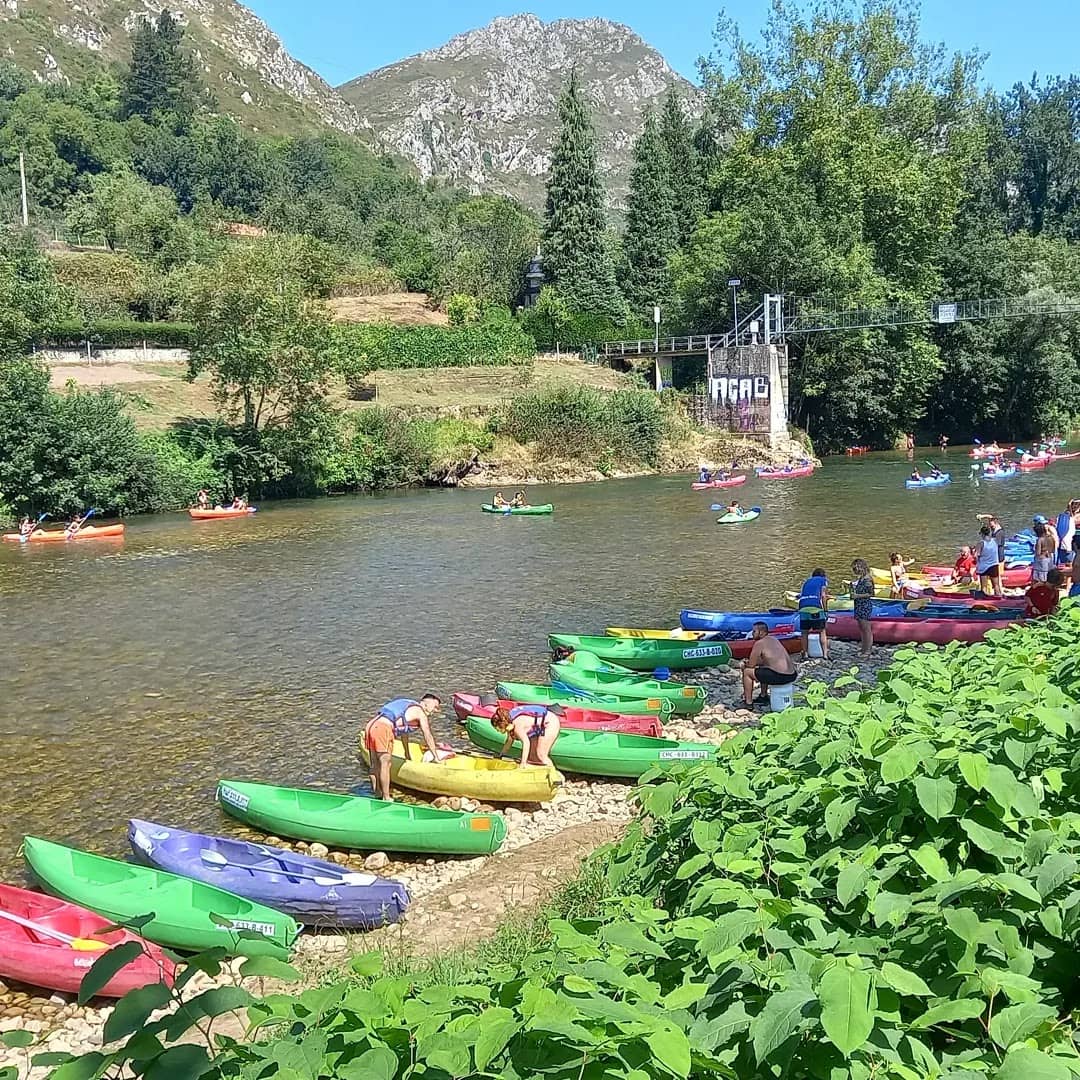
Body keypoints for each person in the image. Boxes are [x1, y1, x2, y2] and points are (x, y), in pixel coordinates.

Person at [363, 694, 443, 801]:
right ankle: (386, 797)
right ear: (426, 703)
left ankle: (377, 793)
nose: (435, 711)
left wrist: (407, 753)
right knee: (385, 764)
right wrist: (436, 757)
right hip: (383, 728)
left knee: (374, 763)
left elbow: (404, 733)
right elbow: (427, 734)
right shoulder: (420, 712)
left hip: (371, 725)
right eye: (435, 706)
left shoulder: (408, 705)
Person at [742, 622, 797, 707]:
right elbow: (768, 661)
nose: (752, 634)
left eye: (754, 631)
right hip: (792, 674)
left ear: (761, 632)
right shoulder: (774, 639)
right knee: (763, 666)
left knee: (747, 672)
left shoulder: (759, 643)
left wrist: (745, 665)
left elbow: (751, 665)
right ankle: (763, 696)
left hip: (780, 676)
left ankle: (748, 702)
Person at [491, 703, 561, 768]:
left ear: (502, 724)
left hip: (550, 723)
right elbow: (509, 742)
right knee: (532, 756)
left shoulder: (517, 726)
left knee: (541, 755)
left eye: (498, 729)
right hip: (538, 727)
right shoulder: (509, 722)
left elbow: (526, 743)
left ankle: (554, 775)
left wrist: (523, 763)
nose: (498, 731)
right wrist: (501, 755)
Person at [796, 567, 830, 660]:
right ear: (823, 575)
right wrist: (826, 610)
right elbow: (823, 596)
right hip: (815, 608)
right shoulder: (823, 580)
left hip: (802, 607)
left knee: (804, 632)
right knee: (822, 631)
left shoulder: (807, 581)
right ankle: (825, 654)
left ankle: (805, 654)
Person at [850, 559, 876, 659]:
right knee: (861, 628)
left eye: (855, 569)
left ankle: (867, 650)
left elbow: (871, 593)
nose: (854, 571)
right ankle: (863, 648)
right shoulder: (862, 578)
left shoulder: (867, 579)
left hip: (864, 605)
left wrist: (858, 596)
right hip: (859, 605)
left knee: (866, 629)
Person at [975, 525, 1001, 597]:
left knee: (984, 587)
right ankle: (998, 597)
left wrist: (976, 563)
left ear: (982, 534)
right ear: (989, 533)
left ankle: (985, 599)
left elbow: (976, 555)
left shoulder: (981, 543)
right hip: (994, 565)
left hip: (984, 566)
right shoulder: (995, 540)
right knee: (996, 585)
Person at [1055, 500, 1079, 565]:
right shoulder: (1068, 517)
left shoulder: (1076, 516)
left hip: (1075, 537)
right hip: (1071, 538)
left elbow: (1074, 520)